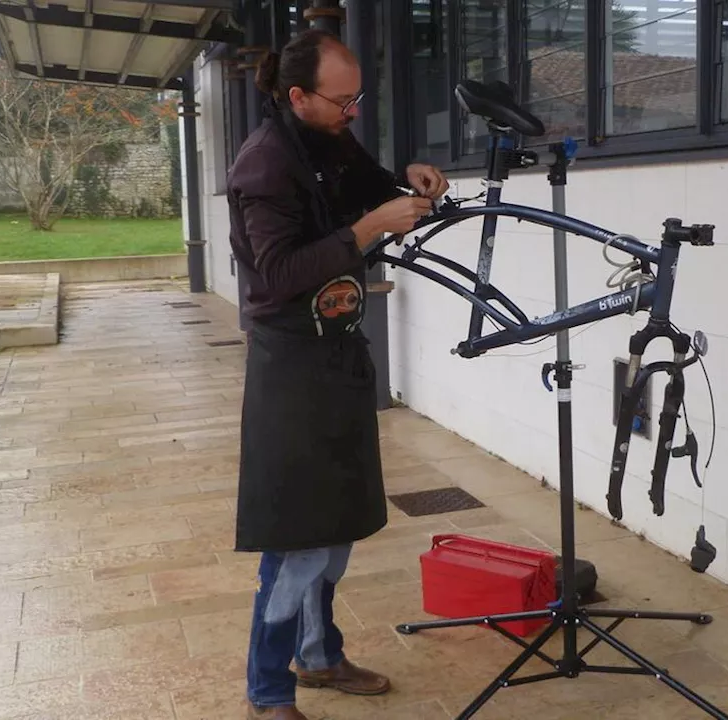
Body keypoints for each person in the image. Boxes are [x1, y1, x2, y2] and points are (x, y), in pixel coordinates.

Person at [225, 28, 450, 720]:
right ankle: (268, 691)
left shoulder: (328, 137)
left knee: (337, 526)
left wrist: (407, 182)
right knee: (296, 538)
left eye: (357, 99)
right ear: (298, 96)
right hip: (291, 362)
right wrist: (368, 229)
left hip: (339, 349)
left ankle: (320, 656)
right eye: (342, 100)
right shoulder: (265, 165)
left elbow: (368, 184)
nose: (352, 111)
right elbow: (280, 272)